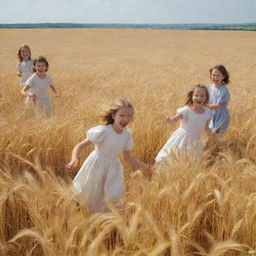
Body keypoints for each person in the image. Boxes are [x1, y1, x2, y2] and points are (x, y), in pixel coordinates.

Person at [67, 98, 151, 213]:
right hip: (96, 165)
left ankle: (104, 220)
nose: (125, 119)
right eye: (122, 115)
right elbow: (80, 146)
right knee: (90, 193)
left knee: (112, 197)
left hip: (113, 169)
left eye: (129, 116)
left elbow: (127, 157)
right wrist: (74, 159)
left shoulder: (127, 135)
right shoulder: (103, 131)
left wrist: (145, 166)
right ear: (113, 115)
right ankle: (85, 215)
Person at [155, 84, 213, 162]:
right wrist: (170, 120)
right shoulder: (186, 110)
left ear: (206, 98)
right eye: (196, 95)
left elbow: (206, 128)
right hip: (181, 138)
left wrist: (213, 136)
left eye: (202, 96)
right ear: (192, 97)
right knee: (172, 157)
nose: (199, 98)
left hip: (195, 141)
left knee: (191, 160)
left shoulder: (207, 113)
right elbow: (175, 119)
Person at [208, 64, 230, 136]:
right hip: (212, 116)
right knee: (210, 135)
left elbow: (218, 106)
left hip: (221, 118)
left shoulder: (224, 91)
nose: (215, 77)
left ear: (223, 77)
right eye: (213, 75)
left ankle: (220, 146)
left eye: (218, 75)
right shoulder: (209, 87)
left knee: (216, 136)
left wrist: (204, 106)